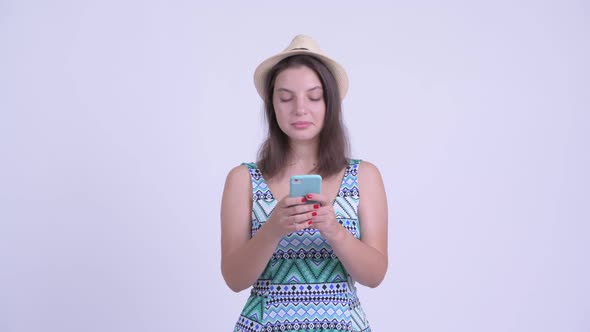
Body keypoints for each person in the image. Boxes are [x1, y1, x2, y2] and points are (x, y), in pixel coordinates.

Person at [221, 35, 388, 332]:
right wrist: (273, 229)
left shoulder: (364, 175)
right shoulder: (243, 179)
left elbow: (374, 275)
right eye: (286, 98)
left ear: (330, 103)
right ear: (272, 105)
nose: (300, 109)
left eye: (313, 97)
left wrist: (334, 230)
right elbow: (234, 279)